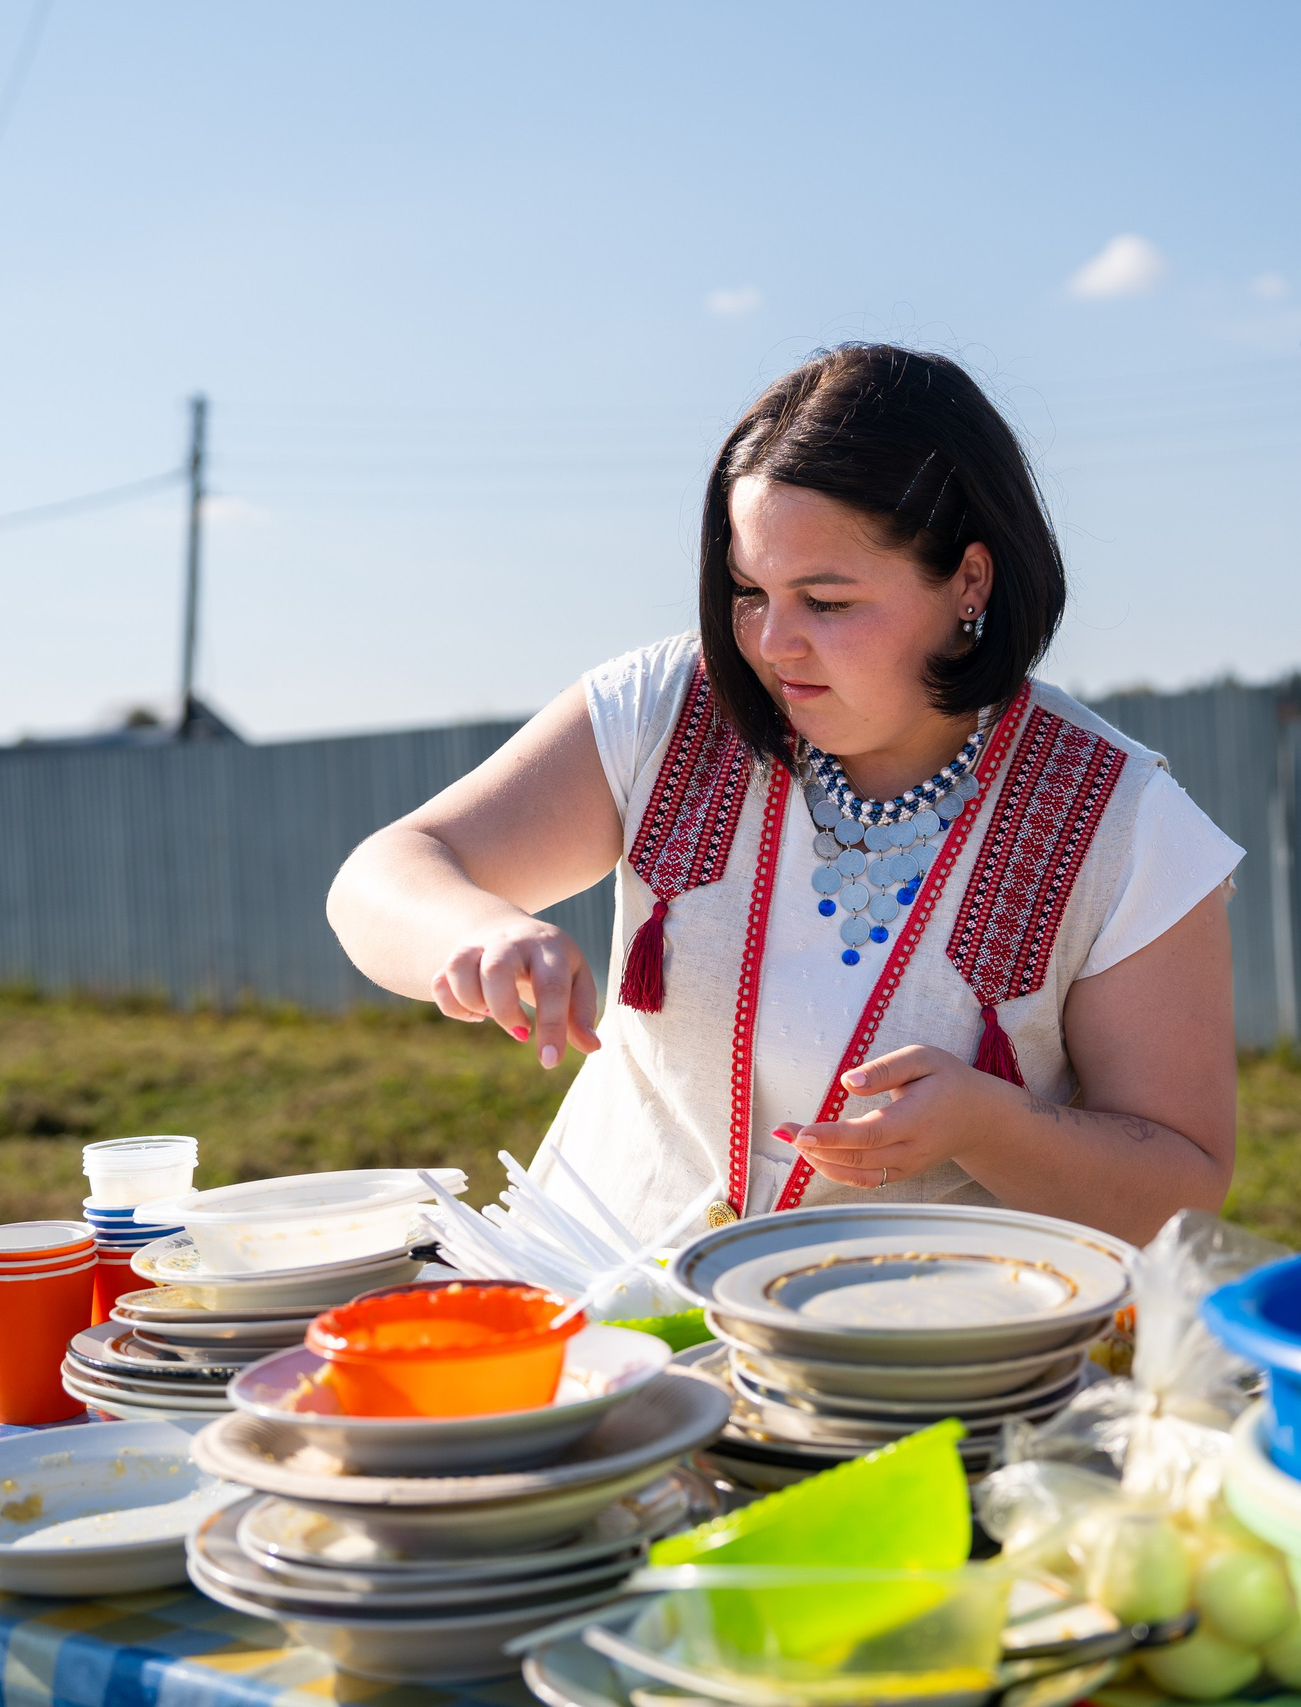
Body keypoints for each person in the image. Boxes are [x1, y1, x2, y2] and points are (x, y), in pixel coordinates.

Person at [329, 344, 1240, 1247]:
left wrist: (991, 1126)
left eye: (827, 602)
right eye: (748, 591)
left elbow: (1179, 1187)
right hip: (597, 1322)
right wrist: (477, 930)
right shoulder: (663, 707)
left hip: (902, 1366)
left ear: (969, 579)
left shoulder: (1121, 817)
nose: (772, 644)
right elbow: (381, 878)